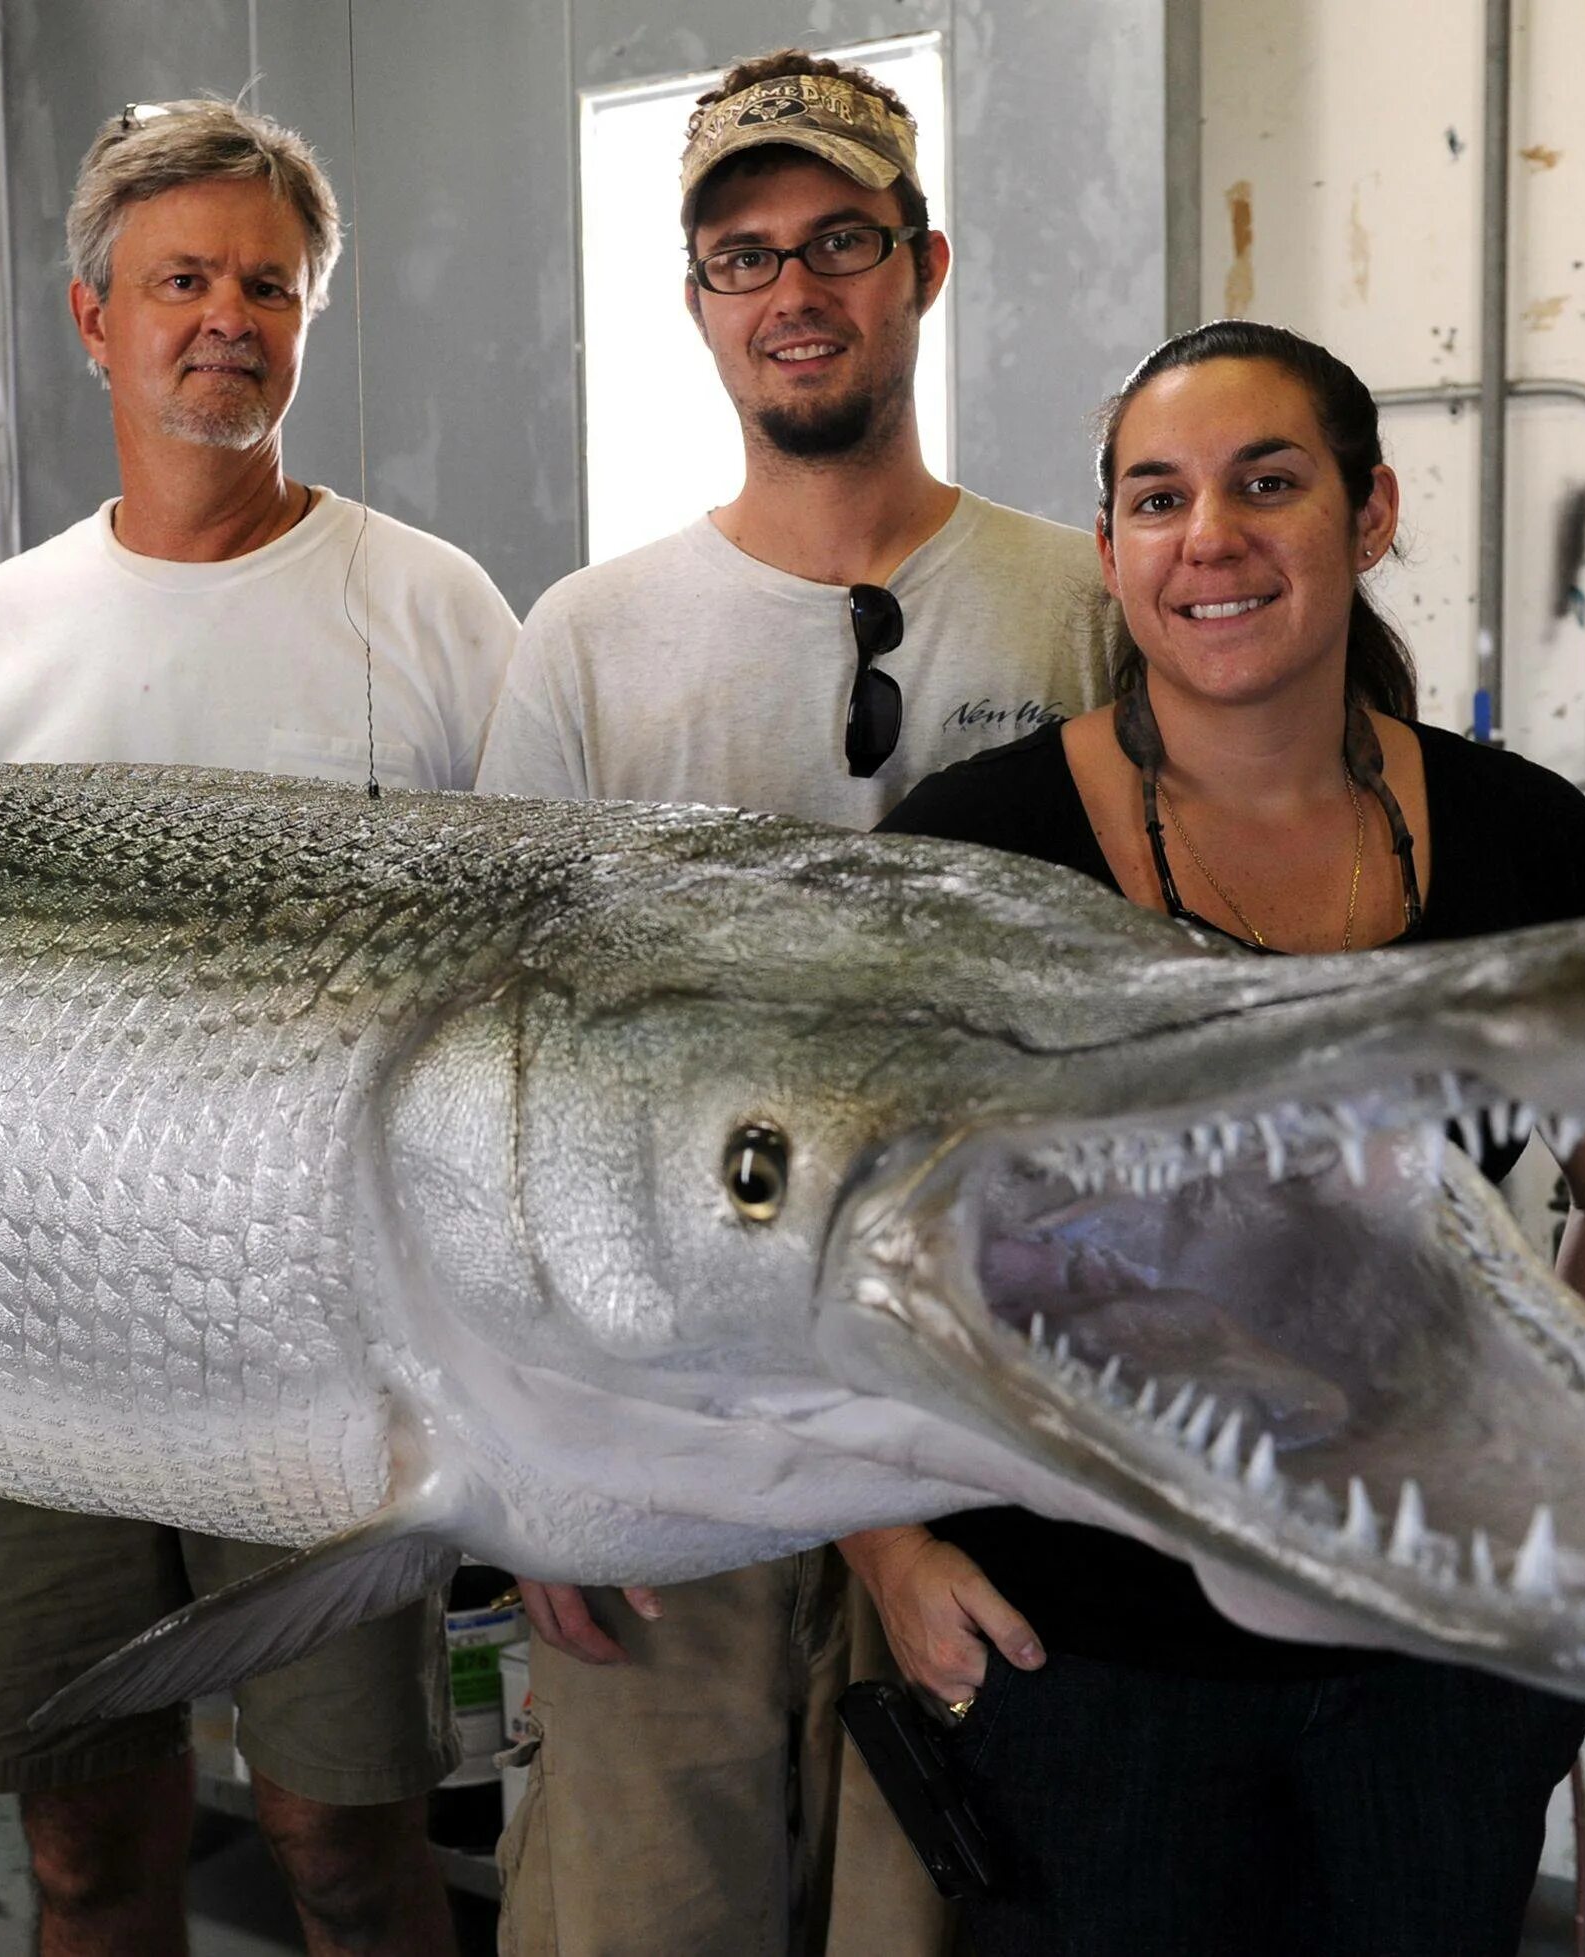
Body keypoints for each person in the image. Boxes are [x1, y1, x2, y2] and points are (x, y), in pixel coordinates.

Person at [0, 99, 517, 1957]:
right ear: (94, 320)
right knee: (82, 1851)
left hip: (335, 1348)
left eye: (267, 285)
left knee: (348, 1844)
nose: (226, 316)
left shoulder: (437, 609)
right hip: (32, 1330)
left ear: (308, 317)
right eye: (181, 281)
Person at [876, 317, 1585, 1956]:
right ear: (1111, 551)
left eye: (1269, 483)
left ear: (1369, 515)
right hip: (1085, 1650)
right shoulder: (977, 854)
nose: (1213, 539)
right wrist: (884, 1545)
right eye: (1159, 499)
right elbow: (824, 1237)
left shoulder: (1525, 842)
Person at [472, 50, 1119, 1957]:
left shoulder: (1080, 603)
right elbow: (508, 1074)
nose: (792, 291)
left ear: (924, 264)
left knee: (942, 1906)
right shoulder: (587, 644)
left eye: (837, 240)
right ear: (697, 306)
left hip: (985, 1417)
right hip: (671, 1421)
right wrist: (525, 1465)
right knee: (641, 1903)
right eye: (742, 257)